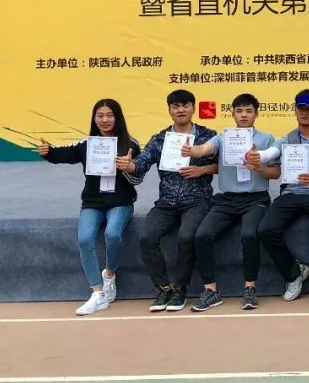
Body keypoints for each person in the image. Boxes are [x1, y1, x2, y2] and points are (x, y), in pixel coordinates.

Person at [37, 99, 142, 315]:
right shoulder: (87, 143)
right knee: (85, 239)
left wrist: (128, 168)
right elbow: (63, 154)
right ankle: (97, 293)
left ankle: (109, 274)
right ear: (94, 119)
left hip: (121, 202)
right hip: (93, 203)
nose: (105, 120)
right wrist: (48, 152)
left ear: (118, 118)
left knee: (112, 234)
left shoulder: (131, 144)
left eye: (109, 115)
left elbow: (138, 177)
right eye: (100, 115)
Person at [116, 89, 216, 312]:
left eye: (185, 105)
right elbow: (142, 163)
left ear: (193, 108)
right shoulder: (160, 139)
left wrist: (203, 170)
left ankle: (180, 289)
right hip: (166, 202)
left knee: (186, 236)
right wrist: (129, 165)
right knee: (146, 238)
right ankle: (163, 288)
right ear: (169, 110)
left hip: (197, 200)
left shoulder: (208, 136)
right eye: (175, 106)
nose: (180, 110)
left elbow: (224, 164)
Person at [184, 94, 279, 312]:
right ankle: (211, 290)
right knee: (202, 235)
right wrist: (192, 150)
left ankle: (250, 288)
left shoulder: (267, 139)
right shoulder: (222, 138)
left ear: (257, 113)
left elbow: (275, 173)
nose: (244, 115)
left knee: (249, 235)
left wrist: (259, 167)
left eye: (249, 111)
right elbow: (204, 149)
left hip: (256, 198)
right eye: (239, 111)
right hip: (226, 200)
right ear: (233, 114)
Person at [253, 90, 309, 303]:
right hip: (291, 192)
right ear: (295, 110)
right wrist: (256, 156)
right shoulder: (287, 138)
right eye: (301, 108)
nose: (304, 112)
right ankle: (294, 273)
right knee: (265, 229)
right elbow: (270, 153)